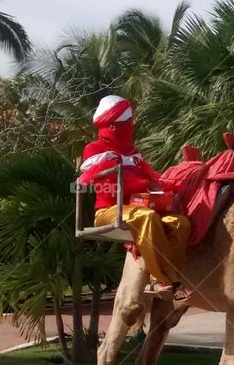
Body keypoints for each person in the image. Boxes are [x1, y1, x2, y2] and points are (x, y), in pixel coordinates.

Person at [79, 95, 191, 300]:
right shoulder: (94, 150)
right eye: (128, 123)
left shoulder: (133, 152)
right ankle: (166, 280)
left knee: (179, 223)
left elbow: (153, 176)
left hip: (136, 207)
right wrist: (142, 184)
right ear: (113, 126)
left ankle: (165, 275)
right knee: (148, 217)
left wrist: (177, 184)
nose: (132, 127)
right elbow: (107, 183)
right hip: (109, 210)